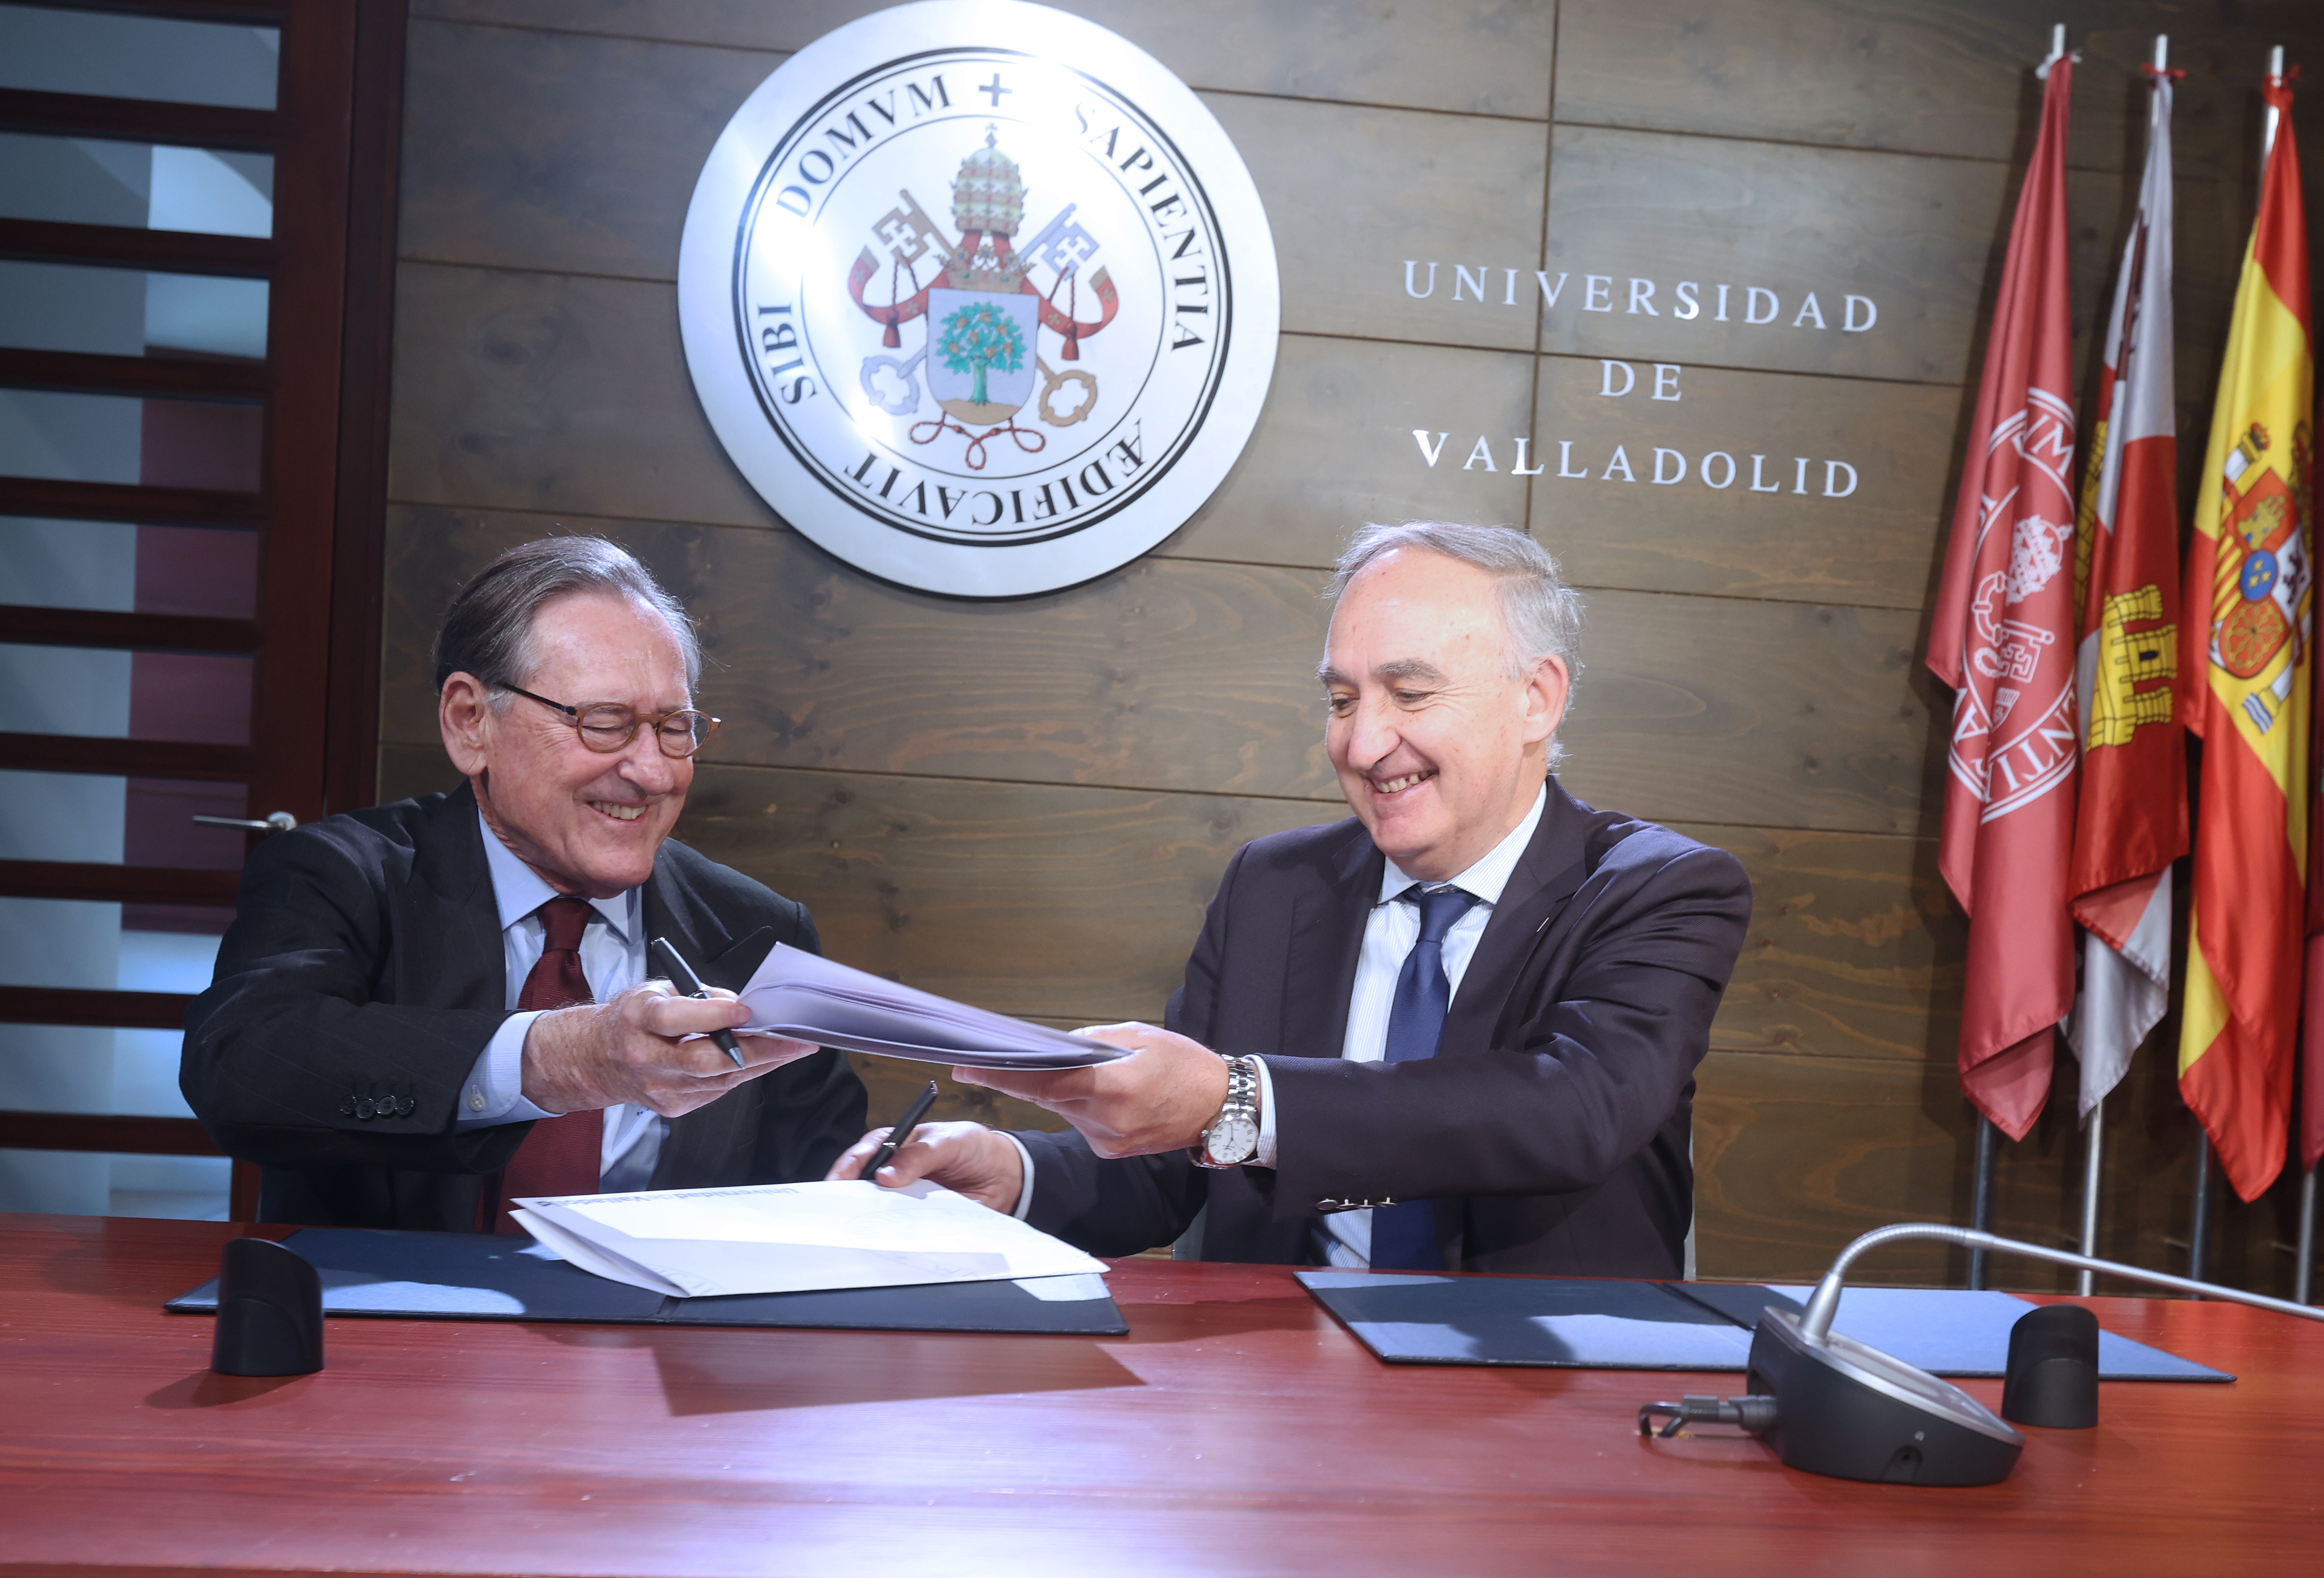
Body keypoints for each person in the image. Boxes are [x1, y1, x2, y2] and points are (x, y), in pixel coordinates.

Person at [830, 521, 1751, 1277]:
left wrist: (1235, 1099)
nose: (1361, 744)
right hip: (1278, 1380)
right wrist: (1014, 1172)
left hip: (1541, 1392)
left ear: (1536, 699)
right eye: (1343, 699)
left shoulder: (1658, 888)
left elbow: (1571, 1110)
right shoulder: (1273, 884)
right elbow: (1172, 1172)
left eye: (1410, 692)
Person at [184, 537, 866, 1231]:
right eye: (604, 724)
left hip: (656, 1333)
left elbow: (820, 1178)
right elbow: (241, 1071)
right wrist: (555, 1059)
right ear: (470, 722)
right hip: (390, 1333)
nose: (654, 773)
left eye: (674, 728)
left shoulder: (755, 926)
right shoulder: (343, 873)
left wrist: (916, 1183)